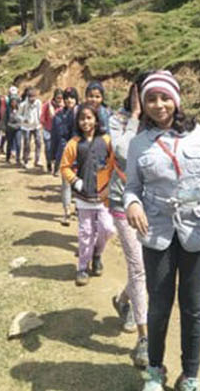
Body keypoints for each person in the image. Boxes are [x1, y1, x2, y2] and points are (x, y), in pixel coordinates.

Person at [123, 70, 200, 391]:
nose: (159, 105)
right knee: (158, 307)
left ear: (176, 100)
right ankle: (155, 371)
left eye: (165, 98)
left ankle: (191, 375)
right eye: (151, 99)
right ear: (144, 104)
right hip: (157, 232)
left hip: (198, 232)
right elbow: (132, 188)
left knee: (194, 309)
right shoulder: (138, 144)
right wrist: (133, 205)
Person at [108, 74, 148, 369]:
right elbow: (122, 152)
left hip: (155, 206)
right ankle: (145, 340)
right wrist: (135, 116)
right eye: (144, 92)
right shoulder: (119, 119)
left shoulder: (162, 121)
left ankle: (124, 300)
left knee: (146, 266)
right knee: (139, 266)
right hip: (123, 202)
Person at [61, 104, 116, 286]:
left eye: (89, 118)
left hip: (103, 196)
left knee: (108, 229)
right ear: (77, 122)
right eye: (82, 118)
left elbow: (115, 165)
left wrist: (110, 186)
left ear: (96, 120)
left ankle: (97, 254)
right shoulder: (74, 143)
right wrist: (75, 181)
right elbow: (65, 166)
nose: (86, 122)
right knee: (86, 233)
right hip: (84, 197)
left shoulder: (107, 141)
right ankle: (83, 267)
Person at [49, 88, 80, 225]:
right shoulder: (58, 116)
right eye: (66, 98)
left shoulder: (83, 113)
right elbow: (54, 137)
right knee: (66, 184)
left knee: (79, 183)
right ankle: (66, 211)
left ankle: (78, 208)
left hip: (81, 154)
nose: (69, 100)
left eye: (72, 97)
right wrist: (52, 155)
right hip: (64, 153)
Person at [18, 87, 43, 168]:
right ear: (28, 97)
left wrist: (40, 121)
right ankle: (26, 161)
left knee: (38, 143)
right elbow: (18, 115)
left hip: (36, 126)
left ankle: (37, 160)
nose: (32, 99)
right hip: (26, 127)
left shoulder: (38, 103)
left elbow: (40, 112)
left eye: (34, 97)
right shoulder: (23, 105)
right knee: (27, 144)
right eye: (31, 97)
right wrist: (23, 119)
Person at [41, 89, 63, 174]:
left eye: (61, 98)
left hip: (58, 131)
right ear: (55, 97)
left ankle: (56, 167)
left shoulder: (63, 106)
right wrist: (43, 124)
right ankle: (49, 163)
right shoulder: (48, 104)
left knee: (58, 149)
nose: (59, 99)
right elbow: (42, 115)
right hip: (48, 130)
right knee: (48, 147)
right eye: (58, 98)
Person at [2, 85, 21, 162]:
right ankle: (8, 158)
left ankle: (18, 158)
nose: (14, 103)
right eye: (12, 102)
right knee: (9, 143)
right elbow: (4, 119)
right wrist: (4, 129)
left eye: (15, 101)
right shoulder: (8, 109)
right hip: (9, 128)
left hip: (18, 128)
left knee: (18, 143)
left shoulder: (20, 109)